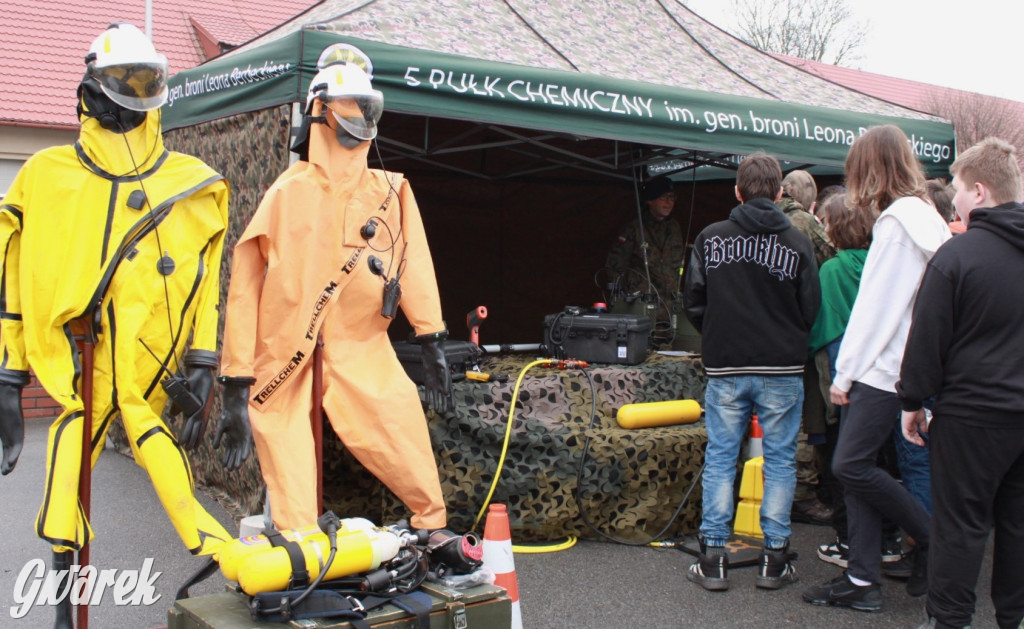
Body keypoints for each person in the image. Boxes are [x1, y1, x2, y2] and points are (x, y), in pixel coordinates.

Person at [0, 22, 247, 626]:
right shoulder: (47, 177)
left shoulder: (195, 186)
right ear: (91, 89)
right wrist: (9, 374)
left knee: (133, 438)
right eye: (121, 82)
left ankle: (236, 561)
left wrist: (204, 363)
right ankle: (66, 602)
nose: (131, 96)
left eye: (143, 81)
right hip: (81, 362)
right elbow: (11, 270)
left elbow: (207, 280)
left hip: (155, 367)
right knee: (74, 448)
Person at [218, 54, 477, 569]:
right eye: (349, 109)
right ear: (322, 112)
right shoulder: (287, 193)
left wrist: (431, 338)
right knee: (283, 436)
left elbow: (414, 262)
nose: (359, 123)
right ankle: (299, 547)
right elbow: (244, 284)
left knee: (397, 416)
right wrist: (235, 379)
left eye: (366, 109)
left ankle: (431, 525)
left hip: (362, 345)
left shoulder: (391, 191)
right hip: (286, 350)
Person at [802, 124, 951, 612]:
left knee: (849, 465)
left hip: (881, 370)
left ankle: (930, 540)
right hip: (909, 367)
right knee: (863, 466)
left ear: (868, 169)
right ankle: (862, 580)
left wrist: (844, 376)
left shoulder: (896, 223)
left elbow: (875, 308)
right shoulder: (927, 216)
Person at [897, 137, 1024, 629]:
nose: (954, 199)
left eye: (958, 190)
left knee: (961, 525)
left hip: (972, 415)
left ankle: (949, 621)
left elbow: (927, 339)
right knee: (1016, 524)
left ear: (981, 190)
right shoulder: (960, 254)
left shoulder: (957, 257)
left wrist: (913, 400)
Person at [682, 152, 820, 592]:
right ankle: (774, 560)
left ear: (737, 191)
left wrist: (718, 334)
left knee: (722, 457)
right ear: (780, 193)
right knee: (779, 461)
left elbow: (694, 302)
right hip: (781, 365)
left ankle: (714, 558)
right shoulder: (798, 242)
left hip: (726, 365)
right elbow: (810, 308)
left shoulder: (710, 237)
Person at [778, 170, 837, 527]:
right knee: (803, 416)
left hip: (766, 334)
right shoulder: (803, 223)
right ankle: (801, 493)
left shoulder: (760, 220)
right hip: (802, 333)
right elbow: (831, 256)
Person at [606, 175, 686, 316]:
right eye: (663, 197)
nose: (669, 202)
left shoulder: (674, 228)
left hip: (670, 308)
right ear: (650, 200)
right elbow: (615, 267)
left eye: (672, 197)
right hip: (642, 307)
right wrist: (626, 299)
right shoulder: (634, 228)